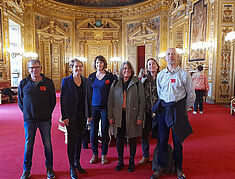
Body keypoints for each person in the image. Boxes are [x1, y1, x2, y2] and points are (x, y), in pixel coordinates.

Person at [151, 48, 195, 179]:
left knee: (178, 141)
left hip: (178, 110)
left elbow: (191, 94)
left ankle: (179, 168)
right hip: (164, 110)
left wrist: (183, 109)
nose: (171, 56)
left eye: (173, 54)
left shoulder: (183, 74)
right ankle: (160, 166)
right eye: (168, 54)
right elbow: (159, 93)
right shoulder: (160, 75)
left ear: (177, 57)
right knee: (162, 139)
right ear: (165, 58)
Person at [18, 59, 56, 179]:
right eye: (31, 68)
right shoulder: (23, 83)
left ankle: (49, 168)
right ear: (28, 69)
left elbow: (53, 101)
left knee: (47, 145)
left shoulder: (48, 82)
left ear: (41, 68)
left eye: (36, 67)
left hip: (45, 120)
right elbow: (20, 102)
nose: (33, 70)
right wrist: (27, 113)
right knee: (28, 145)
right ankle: (26, 170)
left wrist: (46, 113)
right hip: (29, 121)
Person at [108, 61, 145, 172]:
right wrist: (110, 115)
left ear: (131, 70)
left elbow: (142, 101)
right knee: (119, 138)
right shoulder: (115, 83)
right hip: (119, 115)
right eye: (124, 68)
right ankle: (120, 161)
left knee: (132, 138)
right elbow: (110, 101)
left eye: (129, 68)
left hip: (132, 115)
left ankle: (132, 161)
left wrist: (140, 117)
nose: (126, 70)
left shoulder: (137, 83)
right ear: (121, 70)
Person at [60, 58, 89, 179]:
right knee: (71, 141)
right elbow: (63, 99)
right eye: (76, 66)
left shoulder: (85, 81)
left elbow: (88, 99)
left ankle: (77, 162)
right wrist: (65, 117)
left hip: (82, 116)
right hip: (70, 117)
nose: (78, 68)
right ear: (72, 68)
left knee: (79, 140)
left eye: (80, 66)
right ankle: (71, 166)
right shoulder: (66, 81)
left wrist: (89, 115)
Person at [87, 55, 114, 164]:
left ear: (104, 64)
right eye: (97, 63)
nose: (99, 64)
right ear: (95, 64)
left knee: (104, 130)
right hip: (93, 107)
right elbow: (88, 94)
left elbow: (113, 93)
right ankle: (95, 154)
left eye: (101, 62)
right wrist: (87, 111)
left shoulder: (109, 77)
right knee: (93, 131)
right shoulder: (91, 76)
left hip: (105, 108)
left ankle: (104, 154)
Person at [138, 58, 160, 165]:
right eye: (149, 64)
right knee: (145, 134)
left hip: (159, 110)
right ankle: (145, 156)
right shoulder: (144, 78)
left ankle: (159, 156)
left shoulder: (162, 77)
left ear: (157, 65)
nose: (151, 66)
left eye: (153, 64)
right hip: (147, 110)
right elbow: (139, 92)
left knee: (160, 135)